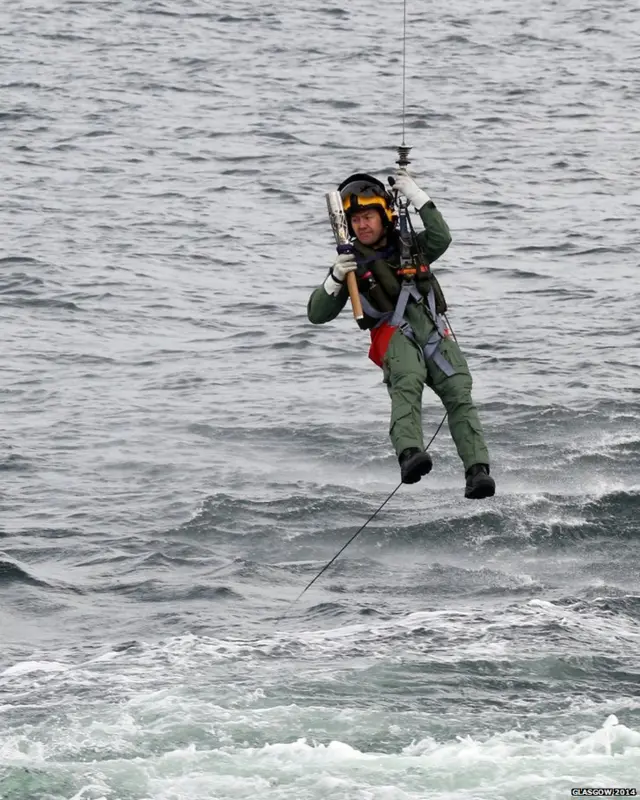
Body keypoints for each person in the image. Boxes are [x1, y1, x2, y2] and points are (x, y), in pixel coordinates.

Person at [306, 170, 496, 499]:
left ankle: (477, 471)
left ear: (384, 216)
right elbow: (316, 314)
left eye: (368, 217)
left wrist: (418, 195)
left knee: (458, 390)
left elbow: (441, 237)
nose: (362, 225)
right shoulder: (350, 265)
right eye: (356, 220)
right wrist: (335, 278)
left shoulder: (412, 246)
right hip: (392, 335)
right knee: (407, 378)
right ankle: (410, 454)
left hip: (432, 328)